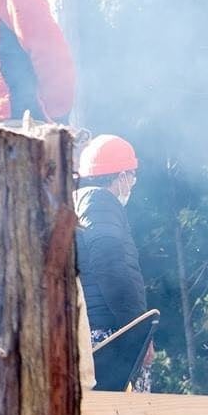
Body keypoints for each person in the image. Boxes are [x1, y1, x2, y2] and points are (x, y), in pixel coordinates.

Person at [76, 134, 151, 391]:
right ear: (121, 177)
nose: (132, 183)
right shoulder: (99, 203)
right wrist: (138, 331)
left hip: (95, 331)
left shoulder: (81, 202)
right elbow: (112, 266)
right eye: (131, 176)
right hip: (110, 336)